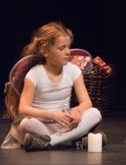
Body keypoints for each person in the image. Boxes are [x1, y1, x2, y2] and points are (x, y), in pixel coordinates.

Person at [2, 22, 103, 151]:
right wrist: (52, 115)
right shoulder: (35, 74)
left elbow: (86, 103)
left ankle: (50, 142)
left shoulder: (73, 71)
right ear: (45, 51)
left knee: (94, 114)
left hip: (64, 125)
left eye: (68, 47)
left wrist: (77, 111)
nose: (67, 52)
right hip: (41, 124)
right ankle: (72, 141)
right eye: (61, 48)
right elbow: (23, 109)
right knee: (27, 123)